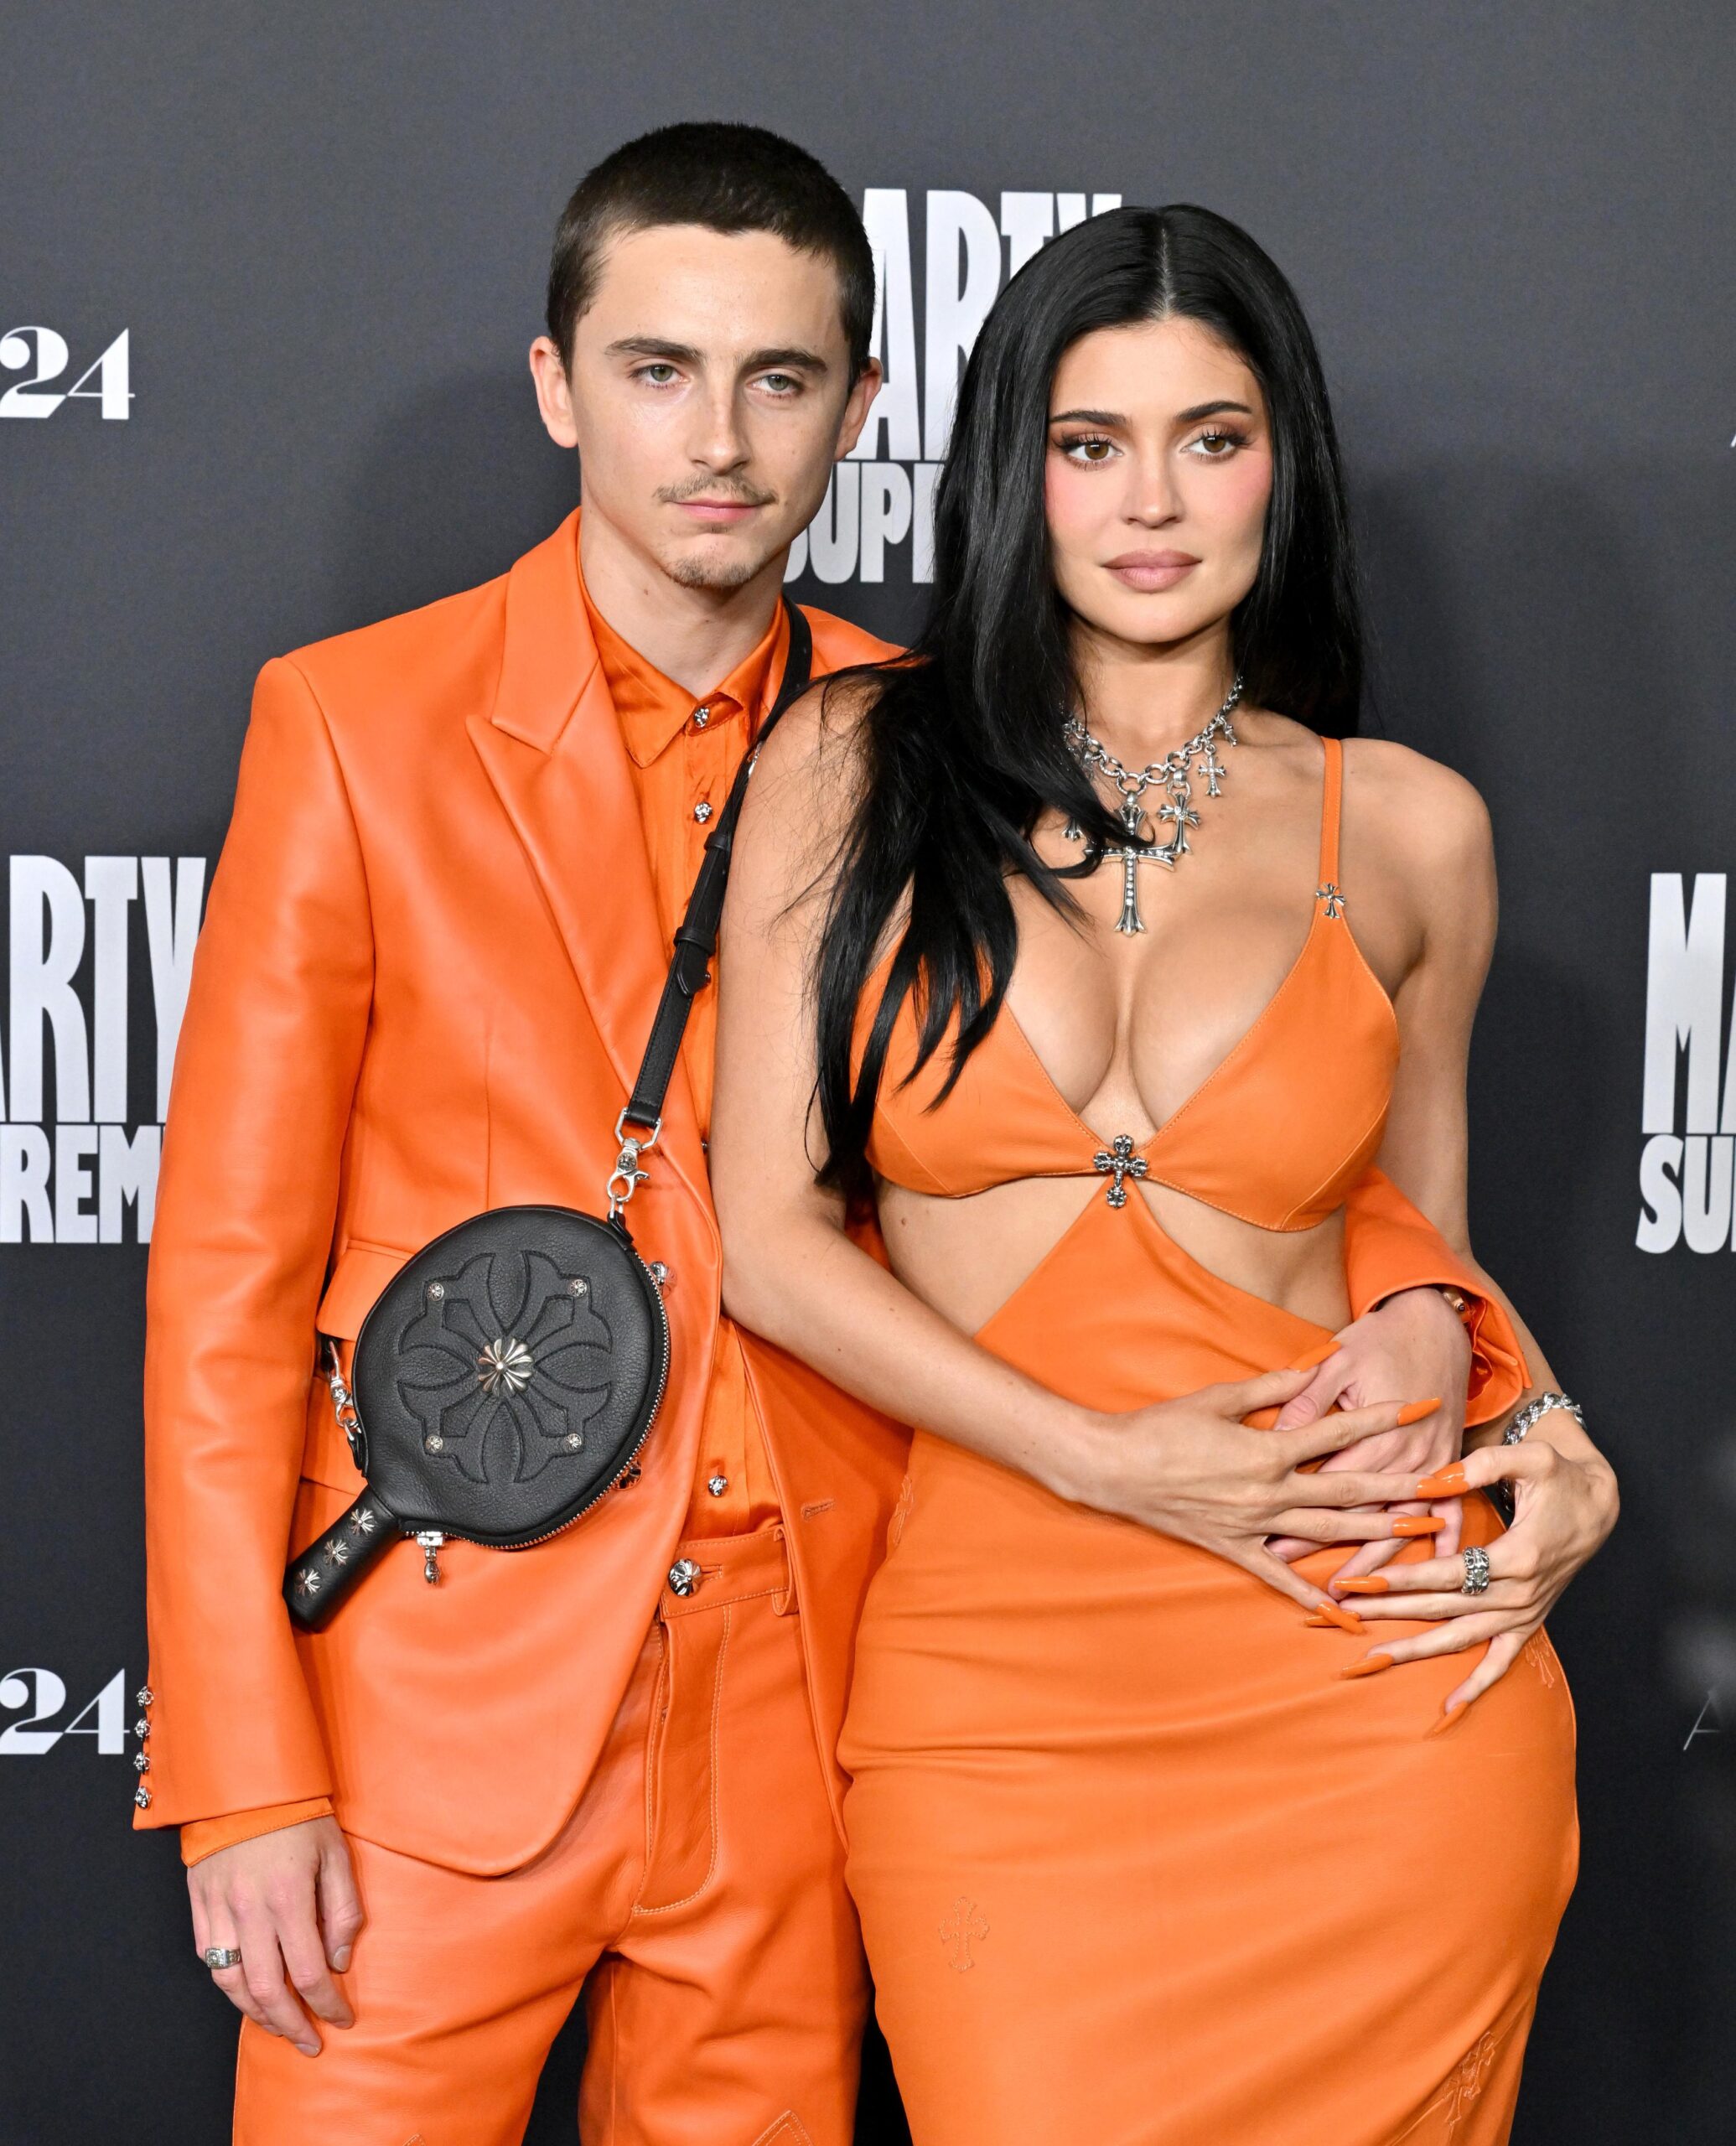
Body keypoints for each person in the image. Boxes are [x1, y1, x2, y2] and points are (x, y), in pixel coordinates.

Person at [134, 126, 1551, 2138]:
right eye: (657, 370)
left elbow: (1301, 1145)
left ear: (860, 409)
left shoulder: (939, 742)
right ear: (557, 385)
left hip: (813, 1702)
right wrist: (242, 1771)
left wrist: (1468, 1348)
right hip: (442, 1703)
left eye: (778, 379)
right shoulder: (359, 725)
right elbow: (225, 1283)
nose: (718, 440)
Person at [711, 203, 1618, 2144]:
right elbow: (766, 1238)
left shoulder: (1410, 829)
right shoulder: (850, 761)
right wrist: (1098, 1456)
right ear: (1011, 467)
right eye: (1087, 440)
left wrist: (1546, 1426)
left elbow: (1420, 1245)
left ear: (1282, 466)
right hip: (1001, 1683)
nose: (1150, 501)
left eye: (1210, 438)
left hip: (1363, 1671)